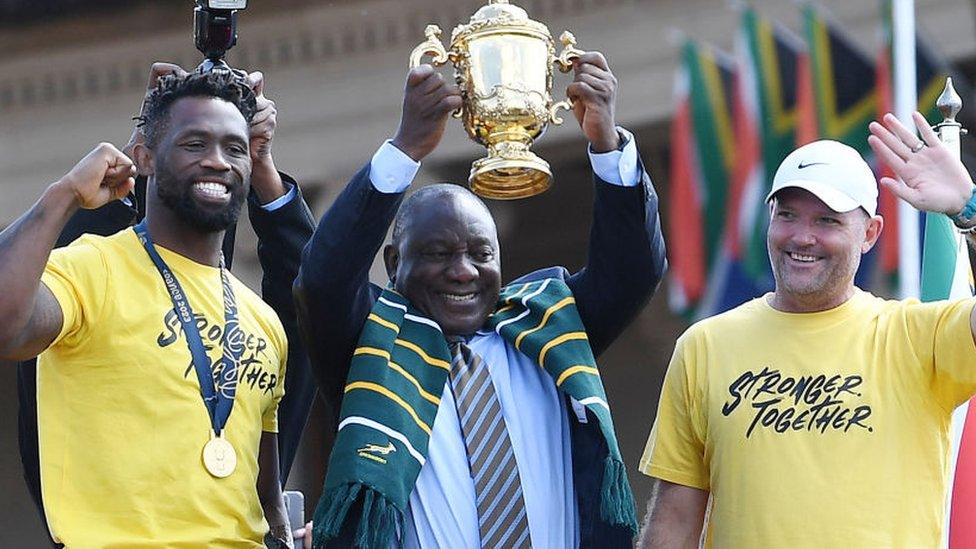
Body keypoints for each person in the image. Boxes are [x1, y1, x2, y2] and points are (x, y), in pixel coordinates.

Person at [294, 52, 667, 548]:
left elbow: (633, 269)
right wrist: (405, 149)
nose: (463, 270)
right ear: (392, 261)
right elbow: (322, 280)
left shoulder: (545, 328)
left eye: (480, 253)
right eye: (438, 253)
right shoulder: (370, 342)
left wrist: (606, 142)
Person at [637, 112, 976, 548]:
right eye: (789, 214)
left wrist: (968, 206)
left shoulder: (915, 336)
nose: (802, 236)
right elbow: (676, 521)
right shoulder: (705, 346)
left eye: (827, 221)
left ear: (870, 233)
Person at [14, 64, 317, 546]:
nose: (218, 161)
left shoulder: (262, 321)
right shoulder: (92, 268)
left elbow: (266, 501)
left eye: (234, 148)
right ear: (145, 158)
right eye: (195, 144)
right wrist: (66, 194)